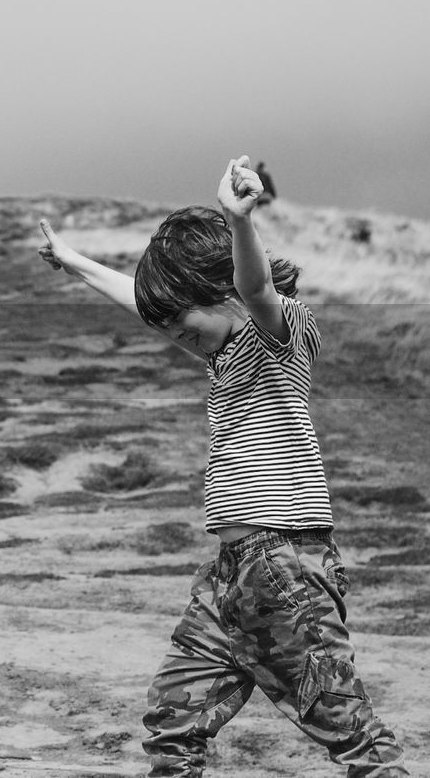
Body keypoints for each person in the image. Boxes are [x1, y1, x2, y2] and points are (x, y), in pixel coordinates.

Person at [37, 156, 408, 777]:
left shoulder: (277, 334)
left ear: (222, 291)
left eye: (185, 328)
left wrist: (240, 222)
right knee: (173, 721)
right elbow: (148, 304)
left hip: (287, 568)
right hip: (230, 576)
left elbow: (257, 287)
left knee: (347, 730)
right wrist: (76, 264)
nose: (181, 341)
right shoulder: (221, 352)